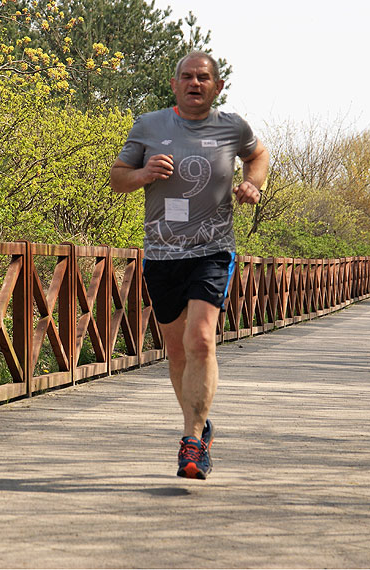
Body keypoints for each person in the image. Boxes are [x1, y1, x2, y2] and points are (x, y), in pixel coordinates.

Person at [110, 51, 269, 479]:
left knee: (201, 339)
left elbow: (259, 155)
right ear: (175, 84)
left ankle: (192, 440)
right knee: (177, 349)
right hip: (162, 253)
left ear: (217, 86)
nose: (194, 83)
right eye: (186, 77)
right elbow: (117, 177)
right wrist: (143, 174)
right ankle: (200, 425)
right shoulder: (149, 125)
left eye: (203, 78)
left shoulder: (233, 126)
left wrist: (252, 184)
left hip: (213, 249)